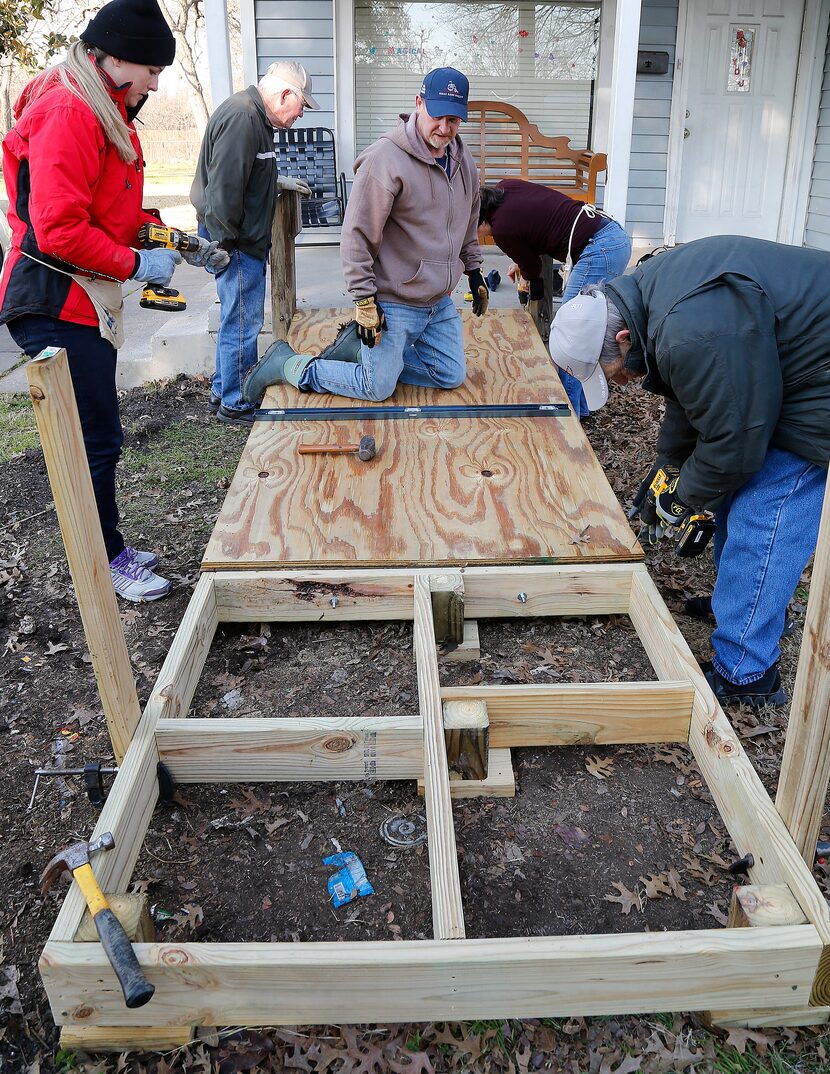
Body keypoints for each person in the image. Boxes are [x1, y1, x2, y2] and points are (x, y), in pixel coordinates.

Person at [0, 0, 225, 602]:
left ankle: (108, 545)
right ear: (116, 56)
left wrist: (165, 237)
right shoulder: (70, 111)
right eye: (152, 70)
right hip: (52, 298)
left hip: (76, 297)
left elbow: (112, 208)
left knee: (99, 434)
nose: (156, 82)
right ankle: (105, 560)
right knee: (96, 438)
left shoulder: (104, 106)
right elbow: (60, 231)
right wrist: (134, 263)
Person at [548, 235, 830, 708]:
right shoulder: (649, 302)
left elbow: (736, 442)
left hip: (818, 378)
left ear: (621, 338)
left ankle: (747, 673)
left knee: (766, 508)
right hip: (789, 363)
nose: (617, 381)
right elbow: (694, 397)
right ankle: (736, 610)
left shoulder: (690, 332)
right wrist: (668, 468)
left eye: (611, 370)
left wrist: (684, 497)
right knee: (734, 496)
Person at [241, 66, 487, 404]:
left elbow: (468, 219)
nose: (445, 129)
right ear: (419, 103)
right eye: (438, 116)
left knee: (450, 374)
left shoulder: (463, 161)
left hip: (437, 301)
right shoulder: (386, 159)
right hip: (394, 300)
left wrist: (473, 269)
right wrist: (364, 300)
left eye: (454, 121)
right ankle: (290, 365)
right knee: (377, 387)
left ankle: (368, 358)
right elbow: (356, 235)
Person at [191, 61, 318, 426]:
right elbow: (224, 192)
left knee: (236, 319)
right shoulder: (244, 120)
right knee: (243, 324)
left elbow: (246, 175)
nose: (300, 116)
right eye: (301, 106)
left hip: (238, 239)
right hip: (235, 242)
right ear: (284, 95)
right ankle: (236, 401)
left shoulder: (256, 120)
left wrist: (277, 182)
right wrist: (225, 247)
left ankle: (222, 388)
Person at [478, 179, 631, 419]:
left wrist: (526, 274)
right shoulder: (505, 187)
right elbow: (535, 224)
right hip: (611, 234)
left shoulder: (501, 229)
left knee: (572, 337)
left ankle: (567, 416)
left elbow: (533, 266)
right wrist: (521, 260)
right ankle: (581, 409)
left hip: (599, 249)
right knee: (582, 335)